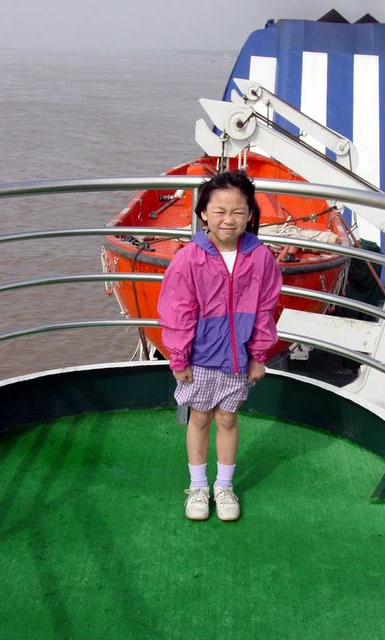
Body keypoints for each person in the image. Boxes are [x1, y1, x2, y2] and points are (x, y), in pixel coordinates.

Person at [157, 170, 282, 521]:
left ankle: (223, 486)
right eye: (220, 211)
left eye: (238, 211)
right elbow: (177, 311)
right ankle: (198, 486)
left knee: (228, 419)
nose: (229, 219)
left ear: (250, 215)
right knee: (198, 419)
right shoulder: (188, 259)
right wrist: (179, 358)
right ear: (203, 215)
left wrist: (258, 355)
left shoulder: (260, 258)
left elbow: (265, 309)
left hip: (238, 360)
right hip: (199, 358)